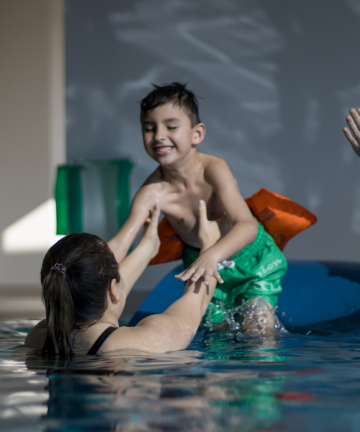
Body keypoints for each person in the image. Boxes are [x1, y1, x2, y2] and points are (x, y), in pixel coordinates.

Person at [108, 82, 287, 331]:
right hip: (200, 262)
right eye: (149, 128)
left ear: (197, 134)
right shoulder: (152, 192)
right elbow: (120, 244)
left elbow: (246, 226)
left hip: (252, 259)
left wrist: (212, 255)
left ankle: (264, 366)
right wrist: (88, 272)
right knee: (218, 338)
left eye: (171, 126)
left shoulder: (214, 169)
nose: (159, 135)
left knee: (257, 329)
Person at [25, 201, 218, 356]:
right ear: (112, 289)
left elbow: (90, 284)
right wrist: (211, 245)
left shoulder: (37, 338)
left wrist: (147, 248)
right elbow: (197, 303)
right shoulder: (138, 341)